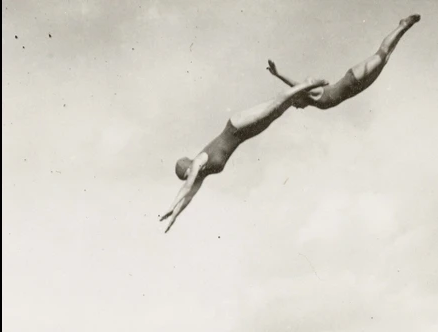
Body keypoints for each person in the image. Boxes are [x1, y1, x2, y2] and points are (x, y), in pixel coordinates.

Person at [158, 78, 329, 233]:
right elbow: (189, 196)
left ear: (188, 165)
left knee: (274, 105)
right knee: (277, 111)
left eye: (188, 173)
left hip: (236, 125)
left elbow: (186, 188)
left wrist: (171, 205)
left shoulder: (200, 160)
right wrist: (174, 216)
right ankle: (305, 93)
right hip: (244, 135)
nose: (192, 175)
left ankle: (308, 83)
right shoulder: (202, 173)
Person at [266, 15, 420, 111]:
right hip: (360, 86)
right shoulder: (314, 103)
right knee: (386, 58)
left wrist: (278, 74)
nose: (298, 108)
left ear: (299, 97)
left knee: (381, 54)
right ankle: (404, 28)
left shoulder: (311, 94)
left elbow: (296, 86)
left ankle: (402, 25)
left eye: (295, 104)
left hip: (354, 77)